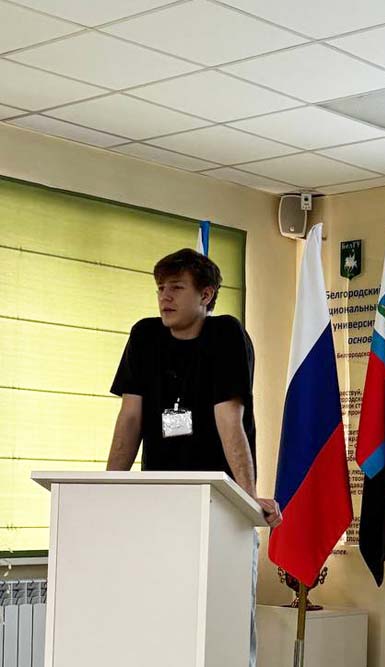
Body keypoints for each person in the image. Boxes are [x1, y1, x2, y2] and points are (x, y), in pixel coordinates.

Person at [105, 248, 280, 666]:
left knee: (223, 622)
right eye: (160, 288)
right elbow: (130, 418)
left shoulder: (226, 335)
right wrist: (109, 488)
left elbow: (229, 419)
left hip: (218, 505)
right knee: (163, 619)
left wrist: (248, 500)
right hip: (161, 505)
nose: (164, 297)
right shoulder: (145, 336)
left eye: (176, 288)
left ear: (206, 294)